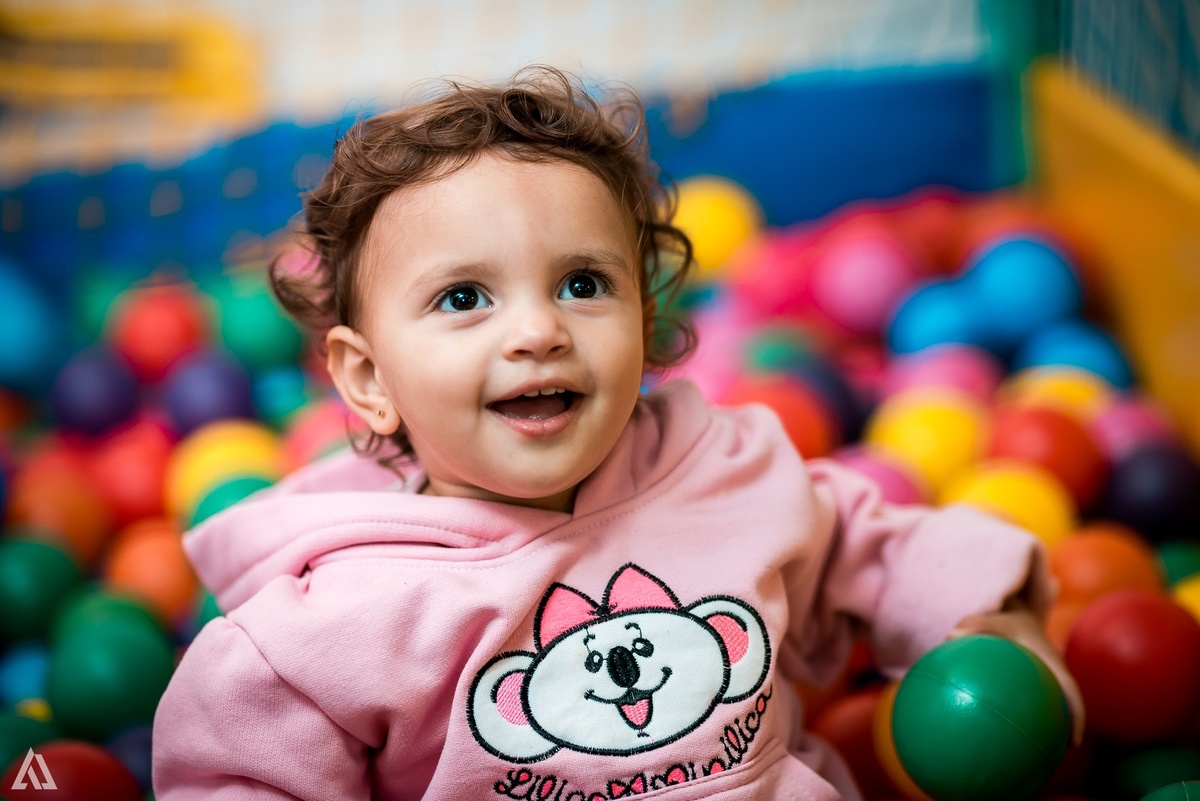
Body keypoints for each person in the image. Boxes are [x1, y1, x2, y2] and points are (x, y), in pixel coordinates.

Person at [152, 66, 1082, 800]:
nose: (538, 330)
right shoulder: (332, 617)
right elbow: (237, 767)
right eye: (465, 297)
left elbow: (865, 542)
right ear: (368, 377)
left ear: (645, 318)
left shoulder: (728, 474)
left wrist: (991, 622)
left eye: (583, 283)